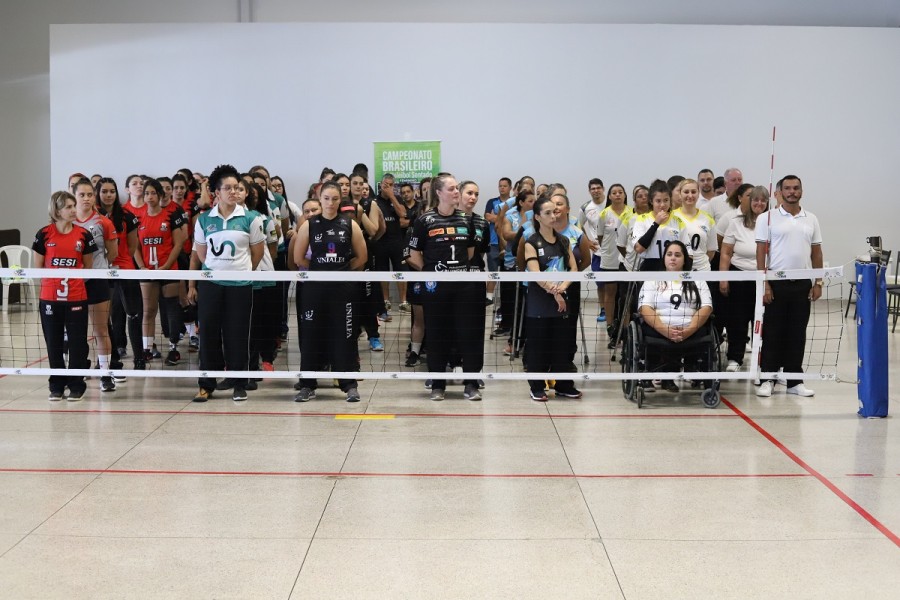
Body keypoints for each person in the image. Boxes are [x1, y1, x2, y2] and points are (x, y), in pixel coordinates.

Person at [187, 164, 265, 403]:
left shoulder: (251, 218)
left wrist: (238, 271)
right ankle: (206, 384)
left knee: (237, 333)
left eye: (236, 187)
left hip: (240, 285)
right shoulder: (203, 220)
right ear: (216, 193)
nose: (232, 191)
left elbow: (257, 253)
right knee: (209, 332)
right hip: (212, 285)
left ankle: (239, 383)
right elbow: (201, 255)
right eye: (227, 188)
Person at [408, 173, 485, 401]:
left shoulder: (465, 220)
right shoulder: (424, 221)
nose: (456, 192)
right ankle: (438, 385)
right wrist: (431, 274)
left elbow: (470, 253)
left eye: (456, 188)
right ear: (439, 193)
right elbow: (414, 254)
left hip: (464, 287)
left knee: (468, 334)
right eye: (451, 189)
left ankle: (471, 384)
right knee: (438, 334)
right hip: (436, 288)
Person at [292, 181, 368, 403]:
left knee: (345, 334)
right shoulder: (310, 224)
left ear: (339, 200)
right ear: (319, 198)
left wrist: (341, 271)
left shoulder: (350, 224)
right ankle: (307, 384)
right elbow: (298, 258)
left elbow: (361, 257)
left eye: (335, 199)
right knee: (311, 335)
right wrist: (319, 271)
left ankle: (349, 384)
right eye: (326, 198)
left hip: (343, 290)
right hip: (315, 289)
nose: (330, 203)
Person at [755, 175, 823, 398]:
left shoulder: (811, 218)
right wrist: (765, 284)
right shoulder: (767, 218)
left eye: (796, 188)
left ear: (801, 191)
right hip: (776, 283)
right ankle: (768, 378)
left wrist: (818, 281)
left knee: (797, 333)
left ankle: (795, 380)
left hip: (802, 284)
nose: (792, 192)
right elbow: (761, 253)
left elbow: (816, 252)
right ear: (780, 192)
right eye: (787, 188)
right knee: (773, 333)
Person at [32, 191, 98, 400]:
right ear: (57, 210)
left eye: (73, 206)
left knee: (78, 343)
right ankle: (56, 385)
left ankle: (76, 384)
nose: (73, 210)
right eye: (68, 207)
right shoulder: (44, 234)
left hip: (76, 297)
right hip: (50, 298)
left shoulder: (83, 235)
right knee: (54, 343)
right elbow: (38, 267)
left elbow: (88, 266)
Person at [523, 195, 582, 401]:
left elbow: (573, 269)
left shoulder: (564, 241)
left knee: (562, 345)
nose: (553, 216)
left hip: (562, 300)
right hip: (540, 303)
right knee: (538, 346)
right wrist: (555, 292)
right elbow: (535, 274)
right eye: (547, 213)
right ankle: (537, 387)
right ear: (537, 217)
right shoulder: (532, 242)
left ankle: (564, 385)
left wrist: (563, 288)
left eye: (555, 212)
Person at [638, 240, 713, 393]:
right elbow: (645, 308)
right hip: (658, 328)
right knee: (646, 330)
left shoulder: (697, 280)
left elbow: (706, 307)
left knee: (704, 332)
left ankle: (671, 377)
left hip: (690, 329)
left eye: (677, 255)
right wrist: (665, 330)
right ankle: (650, 374)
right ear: (664, 258)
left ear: (685, 259)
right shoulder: (652, 280)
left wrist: (688, 330)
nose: (673, 258)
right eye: (669, 254)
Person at [73, 178, 118, 392]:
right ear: (74, 196)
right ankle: (78, 372)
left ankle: (105, 374)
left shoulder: (103, 222)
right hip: (74, 283)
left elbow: (113, 252)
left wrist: (98, 267)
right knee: (76, 331)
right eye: (82, 195)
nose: (87, 199)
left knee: (101, 329)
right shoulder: (67, 222)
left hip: (97, 280)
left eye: (90, 194)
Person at [134, 178, 185, 366]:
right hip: (147, 271)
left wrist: (167, 266)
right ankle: (147, 349)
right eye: (146, 193)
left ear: (160, 195)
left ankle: (173, 348)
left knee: (171, 307)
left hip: (168, 269)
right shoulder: (138, 218)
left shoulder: (169, 216)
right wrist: (141, 267)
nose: (149, 196)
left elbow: (179, 243)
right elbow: (135, 246)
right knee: (148, 310)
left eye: (153, 193)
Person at [96, 177, 144, 372]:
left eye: (112, 191)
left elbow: (133, 246)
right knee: (107, 317)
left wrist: (121, 262)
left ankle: (139, 358)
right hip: (102, 272)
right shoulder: (93, 217)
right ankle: (113, 358)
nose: (108, 195)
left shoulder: (127, 216)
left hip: (125, 270)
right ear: (98, 194)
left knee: (134, 314)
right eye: (104, 191)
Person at [719, 186, 769, 371]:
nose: (759, 203)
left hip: (764, 279)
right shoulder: (736, 223)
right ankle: (735, 358)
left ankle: (763, 359)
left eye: (763, 200)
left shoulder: (771, 223)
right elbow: (725, 252)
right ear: (748, 201)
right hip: (739, 277)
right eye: (755, 199)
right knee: (737, 321)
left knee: (763, 321)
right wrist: (723, 278)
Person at [372, 173, 407, 318]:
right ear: (381, 185)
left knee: (401, 271)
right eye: (385, 185)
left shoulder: (397, 199)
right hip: (380, 241)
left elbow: (403, 214)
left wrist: (392, 196)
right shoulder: (374, 200)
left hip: (397, 240)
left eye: (391, 185)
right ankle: (385, 300)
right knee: (382, 271)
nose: (388, 187)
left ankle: (403, 302)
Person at [632, 179, 684, 272]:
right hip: (649, 268)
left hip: (672, 269)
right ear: (651, 201)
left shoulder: (678, 222)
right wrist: (656, 224)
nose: (662, 205)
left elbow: (687, 252)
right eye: (658, 201)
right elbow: (639, 248)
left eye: (666, 200)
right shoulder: (642, 220)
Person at [674, 179, 717, 271]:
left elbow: (711, 250)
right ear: (680, 194)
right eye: (686, 192)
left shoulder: (708, 219)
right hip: (677, 271)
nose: (690, 195)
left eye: (693, 192)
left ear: (698, 194)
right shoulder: (671, 217)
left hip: (701, 270)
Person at [483, 177, 511, 304]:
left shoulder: (514, 203)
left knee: (508, 273)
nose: (502, 188)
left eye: (505, 186)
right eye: (500, 186)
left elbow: (510, 220)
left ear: (510, 187)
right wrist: (504, 218)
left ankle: (507, 297)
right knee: (493, 271)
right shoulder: (492, 201)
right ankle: (489, 297)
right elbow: (488, 216)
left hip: (508, 243)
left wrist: (498, 217)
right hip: (493, 243)